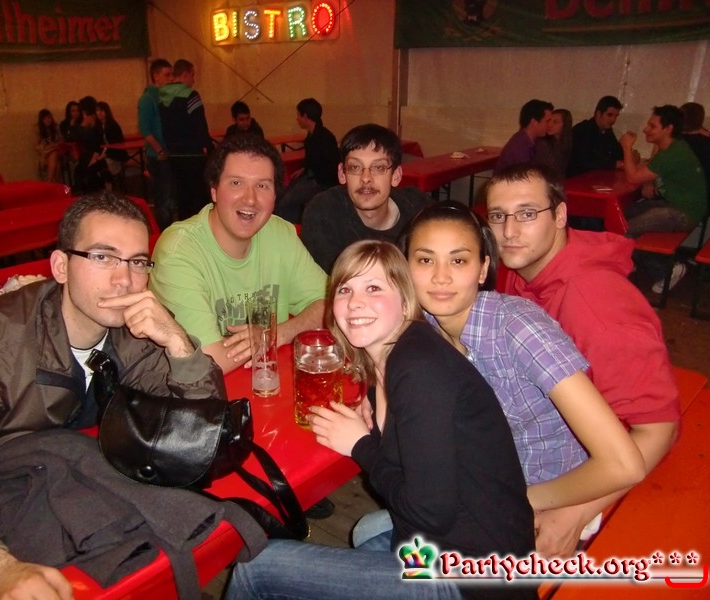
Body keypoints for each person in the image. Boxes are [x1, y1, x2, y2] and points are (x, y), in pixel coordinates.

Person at [0, 192, 224, 600]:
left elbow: (205, 425)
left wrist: (179, 344)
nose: (124, 279)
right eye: (103, 257)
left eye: (137, 262)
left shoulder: (138, 330)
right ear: (61, 266)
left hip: (80, 498)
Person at [225, 240, 536, 600]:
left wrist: (361, 446)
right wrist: (372, 410)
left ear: (405, 301)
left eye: (373, 288)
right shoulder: (394, 358)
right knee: (365, 534)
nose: (355, 302)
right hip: (444, 540)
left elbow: (428, 512)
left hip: (472, 580)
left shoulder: (420, 370)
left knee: (256, 568)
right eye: (345, 289)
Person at [404, 202, 644, 555]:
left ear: (483, 268)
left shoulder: (518, 328)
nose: (441, 277)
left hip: (552, 505)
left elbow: (625, 465)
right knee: (375, 535)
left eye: (459, 261)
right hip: (484, 492)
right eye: (426, 260)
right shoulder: (426, 325)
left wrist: (519, 500)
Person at [484, 164, 680, 557]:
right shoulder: (524, 267)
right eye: (498, 216)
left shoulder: (596, 308)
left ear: (559, 215)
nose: (509, 231)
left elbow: (659, 429)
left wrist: (572, 515)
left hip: (594, 472)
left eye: (526, 213)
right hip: (543, 441)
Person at [150, 133, 326, 375]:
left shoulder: (280, 234)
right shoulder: (178, 251)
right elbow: (207, 362)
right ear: (214, 190)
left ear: (275, 196)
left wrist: (275, 334)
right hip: (205, 394)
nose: (250, 199)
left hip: (268, 383)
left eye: (262, 186)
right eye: (236, 183)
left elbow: (331, 305)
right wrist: (268, 340)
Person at [301, 123, 430, 273]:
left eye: (378, 168)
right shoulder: (323, 213)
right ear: (342, 174)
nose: (366, 178)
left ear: (396, 176)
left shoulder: (418, 211)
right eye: (355, 167)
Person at [619, 104, 707, 292]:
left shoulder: (673, 154)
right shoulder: (671, 148)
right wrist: (647, 179)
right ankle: (630, 260)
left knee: (627, 229)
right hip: (676, 205)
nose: (646, 129)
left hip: (684, 212)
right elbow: (647, 171)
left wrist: (626, 147)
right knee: (621, 217)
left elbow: (632, 177)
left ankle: (667, 271)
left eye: (652, 126)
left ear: (668, 129)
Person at [159, 58, 214, 220]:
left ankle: (185, 227)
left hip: (174, 155)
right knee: (199, 197)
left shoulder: (162, 97)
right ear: (184, 74)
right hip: (193, 154)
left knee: (182, 197)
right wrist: (208, 147)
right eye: (192, 75)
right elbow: (199, 124)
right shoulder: (191, 96)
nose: (193, 80)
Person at [274, 97, 339, 223]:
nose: (297, 119)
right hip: (313, 177)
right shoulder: (312, 134)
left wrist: (309, 176)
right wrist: (303, 169)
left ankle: (289, 228)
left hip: (321, 182)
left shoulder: (325, 138)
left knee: (286, 202)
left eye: (298, 115)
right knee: (281, 194)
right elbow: (312, 160)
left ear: (305, 116)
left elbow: (328, 169)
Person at [138, 57, 175, 231]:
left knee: (170, 196)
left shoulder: (168, 97)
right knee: (164, 198)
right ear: (156, 76)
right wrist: (159, 150)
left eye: (172, 75)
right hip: (158, 156)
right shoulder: (147, 99)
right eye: (167, 75)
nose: (171, 79)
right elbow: (145, 130)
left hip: (170, 153)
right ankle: (163, 233)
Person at [567, 95, 625, 177]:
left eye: (616, 116)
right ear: (598, 114)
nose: (613, 120)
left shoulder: (607, 130)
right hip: (575, 179)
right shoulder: (583, 130)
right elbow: (585, 161)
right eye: (609, 115)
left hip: (592, 178)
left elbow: (617, 153)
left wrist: (627, 153)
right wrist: (615, 164)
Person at [494, 99, 553, 172]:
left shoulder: (531, 141)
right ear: (534, 122)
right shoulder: (520, 146)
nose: (550, 125)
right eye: (547, 121)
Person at [73, 95, 110, 193]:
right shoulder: (96, 120)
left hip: (90, 155)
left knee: (81, 173)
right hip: (96, 154)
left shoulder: (87, 120)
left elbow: (78, 135)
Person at [534, 108, 572, 180]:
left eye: (555, 122)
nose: (550, 125)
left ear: (565, 125)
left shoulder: (567, 142)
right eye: (549, 121)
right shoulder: (543, 144)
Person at [96, 101, 128, 181]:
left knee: (99, 166)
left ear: (107, 112)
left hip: (115, 155)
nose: (99, 113)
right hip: (106, 153)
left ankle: (109, 184)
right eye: (97, 110)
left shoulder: (112, 125)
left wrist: (103, 156)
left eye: (102, 110)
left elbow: (115, 144)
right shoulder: (99, 126)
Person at [34, 109, 62, 183]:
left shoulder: (55, 127)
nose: (48, 120)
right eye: (45, 119)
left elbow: (61, 141)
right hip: (45, 152)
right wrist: (47, 146)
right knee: (57, 165)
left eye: (49, 118)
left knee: (54, 154)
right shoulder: (38, 129)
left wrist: (55, 145)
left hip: (56, 151)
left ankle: (49, 182)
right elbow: (36, 146)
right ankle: (53, 183)